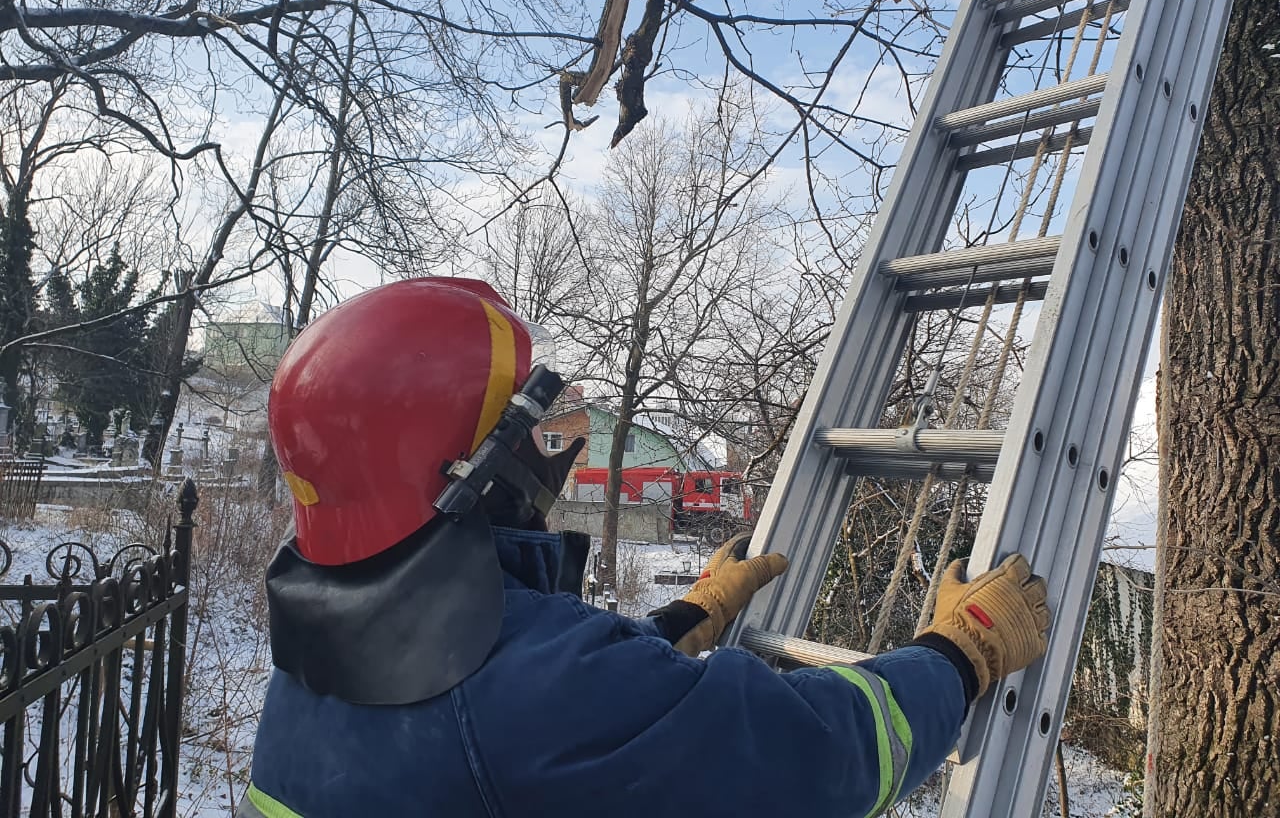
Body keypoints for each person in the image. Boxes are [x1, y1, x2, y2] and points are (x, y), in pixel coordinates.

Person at [237, 277, 1050, 818]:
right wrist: (958, 653)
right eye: (532, 434)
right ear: (462, 471)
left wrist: (683, 619)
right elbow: (815, 759)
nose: (557, 453)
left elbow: (547, 700)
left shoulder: (319, 656)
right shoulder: (530, 689)